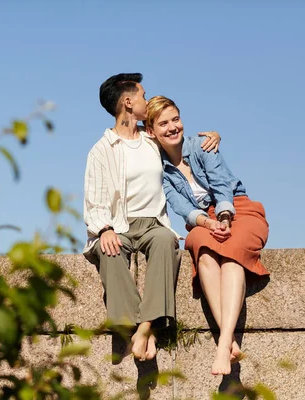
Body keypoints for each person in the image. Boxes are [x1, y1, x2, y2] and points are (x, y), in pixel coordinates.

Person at [83, 73, 220, 362]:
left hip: (153, 223)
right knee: (111, 250)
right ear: (129, 102)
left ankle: (145, 327)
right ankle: (132, 323)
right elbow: (93, 199)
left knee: (164, 242)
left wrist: (212, 137)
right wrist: (104, 229)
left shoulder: (150, 141)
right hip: (117, 223)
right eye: (143, 96)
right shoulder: (101, 150)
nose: (147, 99)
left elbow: (180, 142)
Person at [145, 95, 269, 375]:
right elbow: (179, 205)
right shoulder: (157, 168)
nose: (172, 127)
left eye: (175, 119)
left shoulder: (203, 145)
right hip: (203, 220)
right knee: (201, 249)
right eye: (163, 123)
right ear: (152, 131)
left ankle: (224, 343)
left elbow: (221, 183)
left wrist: (223, 217)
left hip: (237, 208)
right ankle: (229, 343)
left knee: (232, 253)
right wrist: (207, 223)